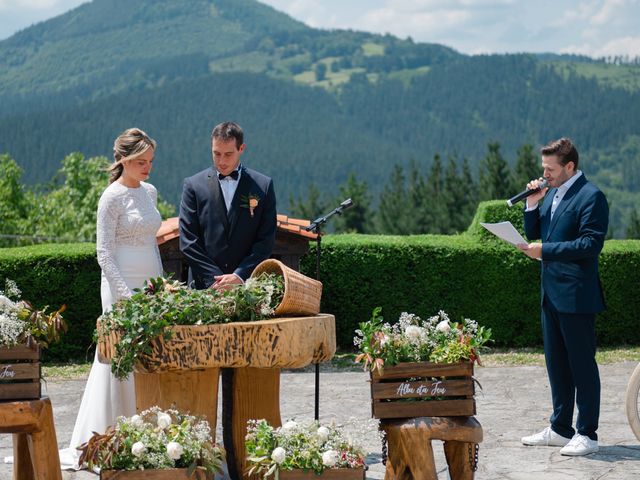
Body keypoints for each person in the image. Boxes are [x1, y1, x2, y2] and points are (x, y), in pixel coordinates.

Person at [59, 128, 163, 469]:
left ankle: (148, 431)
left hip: (150, 281)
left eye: (150, 161)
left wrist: (160, 288)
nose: (148, 167)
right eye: (141, 161)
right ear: (124, 161)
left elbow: (152, 242)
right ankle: (111, 435)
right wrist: (124, 296)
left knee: (150, 355)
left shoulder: (149, 191)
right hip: (120, 286)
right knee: (118, 357)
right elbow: (103, 253)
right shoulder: (111, 197)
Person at [518, 138, 608, 456]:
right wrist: (532, 204)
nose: (545, 174)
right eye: (544, 168)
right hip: (551, 295)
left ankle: (588, 433)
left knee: (582, 366)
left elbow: (590, 245)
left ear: (569, 166)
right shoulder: (554, 193)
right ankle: (560, 428)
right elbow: (537, 234)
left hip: (577, 297)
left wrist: (545, 251)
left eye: (550, 169)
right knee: (556, 365)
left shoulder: (592, 197)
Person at [179, 121, 276, 290]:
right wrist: (215, 280)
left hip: (248, 287)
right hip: (204, 287)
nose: (222, 161)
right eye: (216, 154)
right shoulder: (193, 186)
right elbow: (188, 241)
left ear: (241, 148)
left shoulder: (263, 186)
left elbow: (265, 240)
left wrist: (240, 275)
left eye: (228, 154)